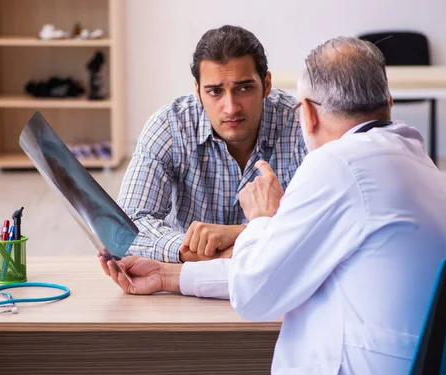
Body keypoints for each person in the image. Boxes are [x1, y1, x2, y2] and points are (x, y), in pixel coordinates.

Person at [101, 37, 446, 375]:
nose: (230, 106)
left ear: (306, 113)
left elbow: (255, 294)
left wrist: (263, 220)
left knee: (118, 365)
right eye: (215, 91)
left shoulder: (336, 165)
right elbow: (286, 258)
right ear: (388, 103)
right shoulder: (415, 158)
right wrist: (171, 274)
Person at [118, 25, 306, 264]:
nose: (231, 108)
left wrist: (239, 234)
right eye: (215, 91)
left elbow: (327, 219)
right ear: (198, 92)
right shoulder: (170, 126)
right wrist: (190, 251)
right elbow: (125, 228)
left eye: (244, 88)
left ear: (266, 84)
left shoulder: (300, 124)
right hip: (186, 283)